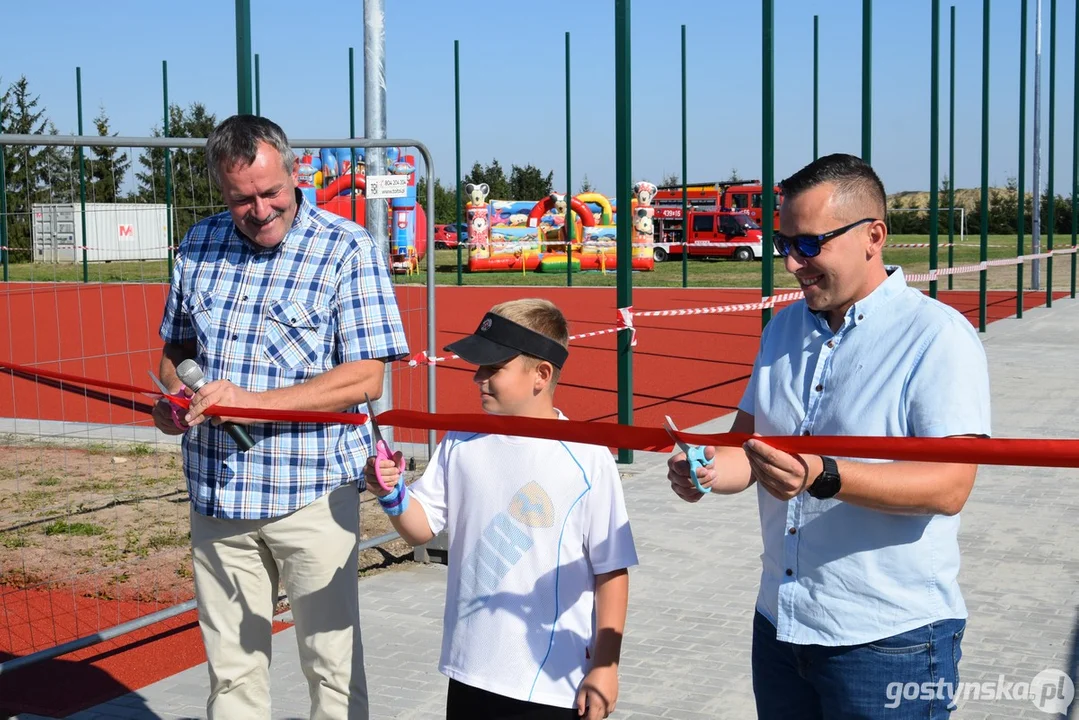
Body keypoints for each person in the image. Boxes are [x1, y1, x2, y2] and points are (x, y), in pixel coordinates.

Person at [667, 153, 991, 719]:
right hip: (781, 625)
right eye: (783, 242)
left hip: (889, 639)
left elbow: (950, 485)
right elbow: (748, 447)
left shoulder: (938, 337)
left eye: (810, 244)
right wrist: (706, 470)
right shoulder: (782, 329)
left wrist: (824, 475)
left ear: (874, 236)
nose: (793, 262)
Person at [151, 114, 408, 719]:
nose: (261, 209)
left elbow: (366, 378)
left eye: (272, 193)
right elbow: (174, 353)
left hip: (311, 495)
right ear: (222, 189)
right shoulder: (198, 244)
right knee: (232, 678)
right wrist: (173, 400)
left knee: (333, 671)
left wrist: (252, 404)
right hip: (219, 499)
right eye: (243, 199)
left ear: (294, 174)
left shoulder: (346, 247)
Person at [366, 298, 638, 720]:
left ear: (541, 375)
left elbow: (611, 570)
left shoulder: (586, 458)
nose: (478, 377)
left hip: (552, 683)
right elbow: (420, 528)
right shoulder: (462, 439)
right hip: (470, 669)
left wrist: (605, 666)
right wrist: (392, 493)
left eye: (493, 367)